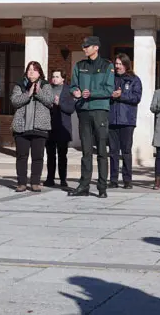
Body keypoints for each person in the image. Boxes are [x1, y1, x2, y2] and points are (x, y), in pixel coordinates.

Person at [68, 36, 115, 198]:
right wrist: (75, 91)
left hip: (100, 110)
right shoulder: (79, 66)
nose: (84, 49)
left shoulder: (107, 66)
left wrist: (92, 93)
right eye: (84, 46)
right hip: (84, 111)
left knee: (102, 150)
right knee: (86, 151)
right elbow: (73, 84)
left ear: (96, 47)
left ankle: (102, 187)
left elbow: (109, 89)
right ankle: (84, 186)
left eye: (87, 46)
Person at [10, 61, 54, 192]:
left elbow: (50, 101)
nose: (31, 72)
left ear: (39, 72)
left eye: (34, 70)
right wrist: (28, 94)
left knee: (37, 156)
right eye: (29, 70)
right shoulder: (20, 85)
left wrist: (38, 92)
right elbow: (14, 101)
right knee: (22, 156)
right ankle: (21, 183)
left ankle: (35, 182)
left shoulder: (46, 86)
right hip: (21, 126)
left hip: (39, 127)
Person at [108, 53, 142, 189]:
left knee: (126, 151)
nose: (117, 67)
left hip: (127, 120)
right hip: (112, 120)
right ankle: (113, 180)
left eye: (120, 64)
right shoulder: (111, 78)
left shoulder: (134, 79)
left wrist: (122, 95)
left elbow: (136, 97)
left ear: (126, 65)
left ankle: (127, 180)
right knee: (113, 151)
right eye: (116, 64)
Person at [45, 69, 76, 189]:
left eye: (57, 76)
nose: (54, 79)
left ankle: (63, 179)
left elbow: (71, 109)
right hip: (49, 126)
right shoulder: (48, 89)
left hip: (63, 127)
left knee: (62, 155)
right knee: (50, 154)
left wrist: (59, 103)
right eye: (53, 76)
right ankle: (50, 178)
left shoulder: (68, 90)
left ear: (63, 78)